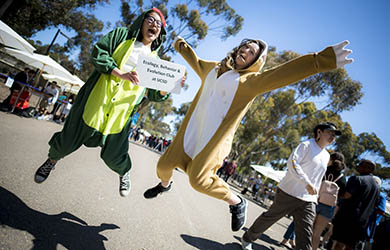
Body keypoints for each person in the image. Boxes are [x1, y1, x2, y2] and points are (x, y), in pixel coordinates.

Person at [144, 34, 353, 232]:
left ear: (256, 61)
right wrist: (180, 44)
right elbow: (195, 61)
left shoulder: (251, 82)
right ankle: (165, 185)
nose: (245, 50)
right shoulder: (213, 69)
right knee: (163, 166)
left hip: (214, 141)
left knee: (198, 180)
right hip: (192, 132)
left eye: (251, 51)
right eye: (245, 46)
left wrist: (323, 60)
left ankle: (236, 201)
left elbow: (287, 72)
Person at [34, 8, 182, 197]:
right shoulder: (121, 36)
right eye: (150, 20)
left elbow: (154, 94)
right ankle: (51, 161)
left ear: (160, 33)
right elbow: (99, 52)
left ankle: (124, 172)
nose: (154, 25)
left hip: (121, 112)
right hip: (97, 100)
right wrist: (119, 72)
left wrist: (167, 87)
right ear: (141, 21)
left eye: (158, 24)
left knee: (114, 155)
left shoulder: (156, 62)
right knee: (68, 140)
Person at [241, 122, 342, 250]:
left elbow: (317, 176)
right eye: (329, 132)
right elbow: (292, 163)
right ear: (319, 132)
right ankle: (247, 239)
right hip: (288, 192)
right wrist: (306, 183)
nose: (332, 136)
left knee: (306, 232)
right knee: (269, 218)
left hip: (309, 200)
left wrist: (315, 195)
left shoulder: (327, 155)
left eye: (334, 135)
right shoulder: (306, 145)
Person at [331, 159, 380, 250]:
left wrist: (337, 191)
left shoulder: (356, 179)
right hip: (362, 224)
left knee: (339, 244)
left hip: (347, 218)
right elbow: (375, 205)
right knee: (351, 246)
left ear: (368, 168)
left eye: (361, 165)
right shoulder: (377, 188)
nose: (358, 166)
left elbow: (346, 195)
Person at [312, 153, 347, 250]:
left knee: (308, 229)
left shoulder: (324, 170)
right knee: (317, 233)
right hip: (328, 207)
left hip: (316, 201)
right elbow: (342, 195)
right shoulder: (342, 178)